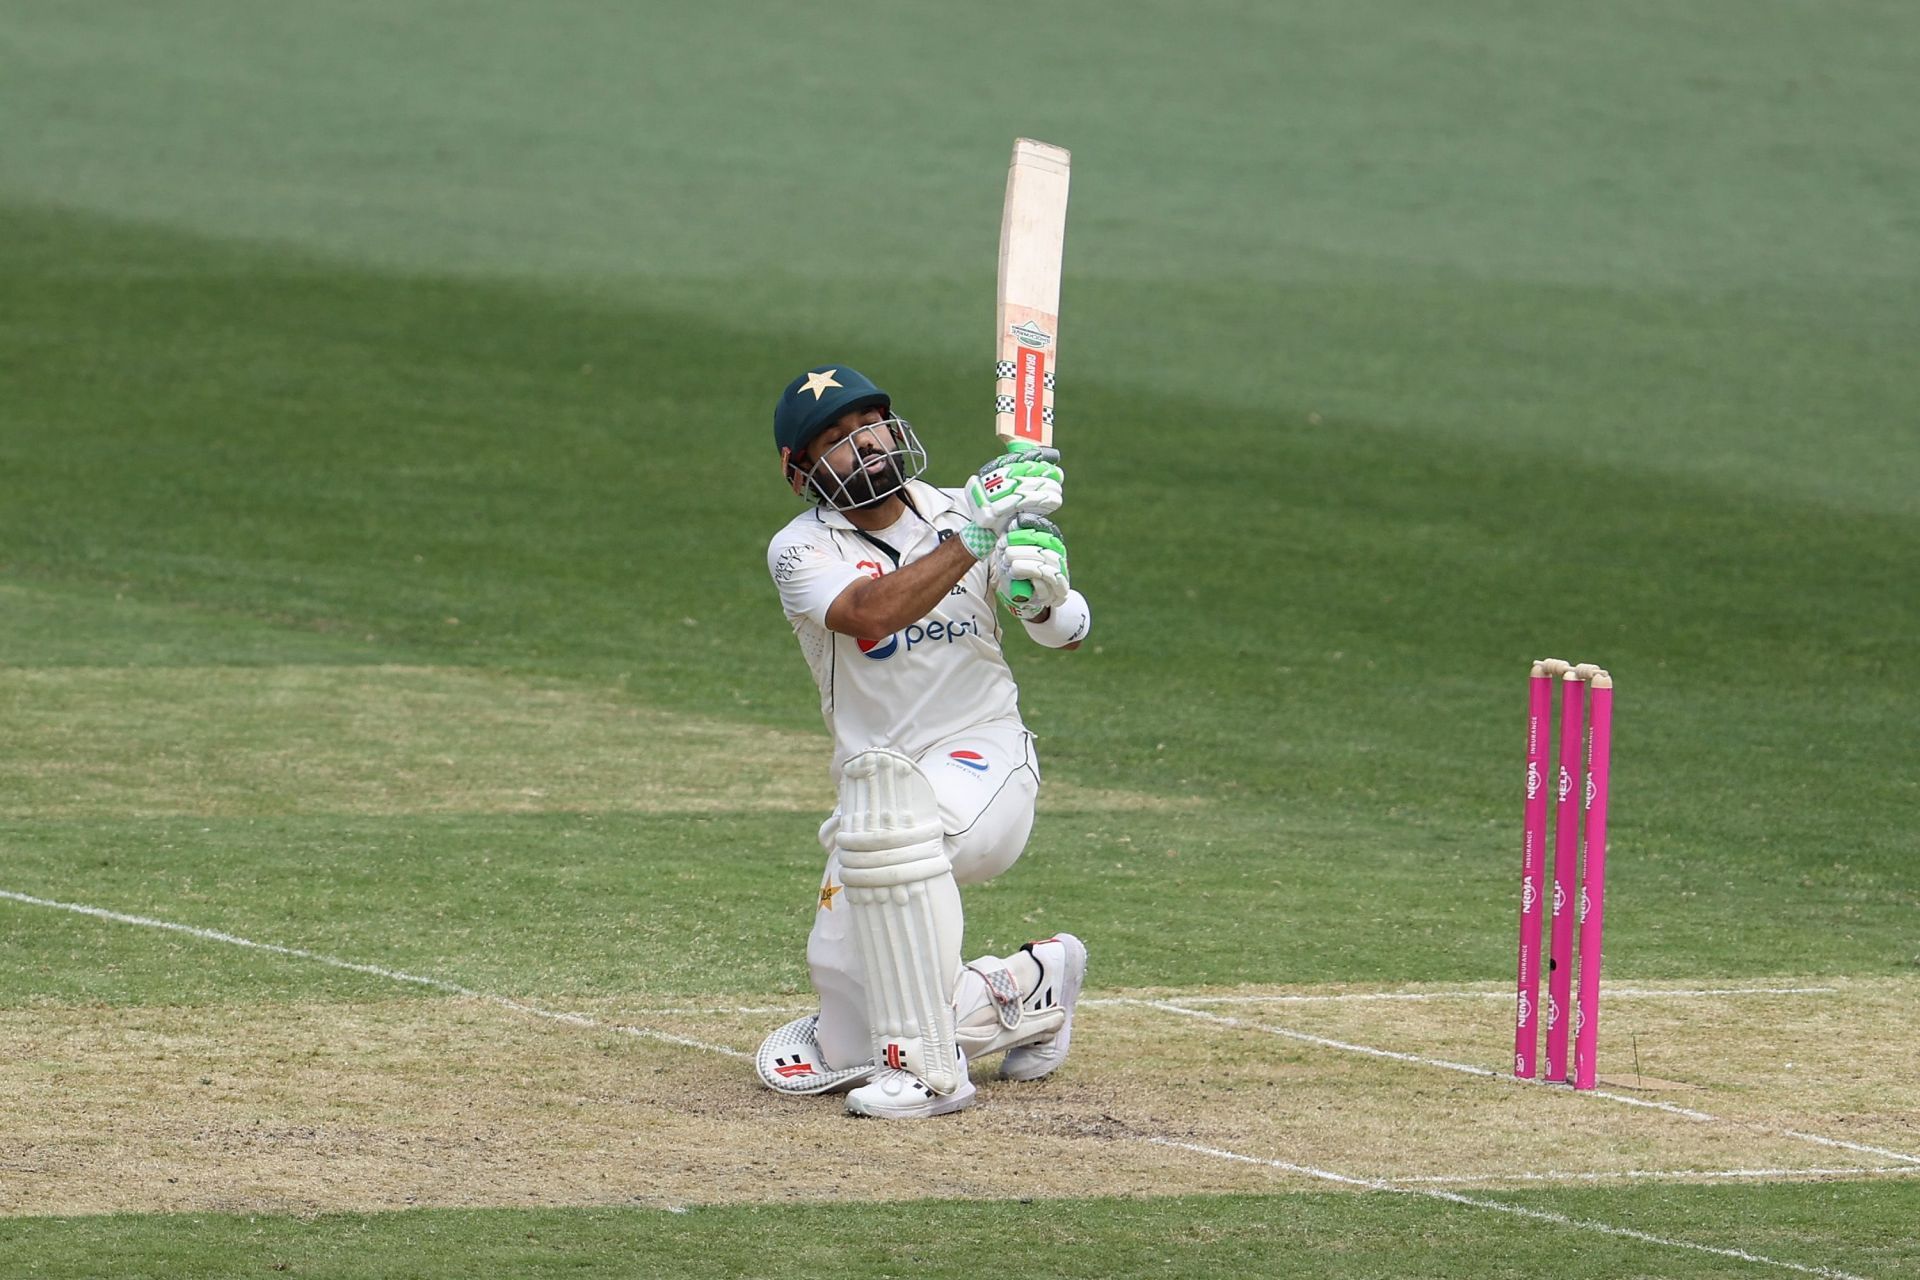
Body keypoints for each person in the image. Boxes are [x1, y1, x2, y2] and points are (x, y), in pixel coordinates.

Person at [752, 363, 1092, 1119]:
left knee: (906, 824)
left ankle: (934, 1073)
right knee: (846, 1047)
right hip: (876, 786)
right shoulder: (801, 550)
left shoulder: (968, 512)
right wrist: (977, 531)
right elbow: (871, 613)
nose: (864, 444)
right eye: (837, 439)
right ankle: (1027, 986)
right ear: (798, 470)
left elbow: (1063, 634)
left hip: (986, 762)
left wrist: (1047, 595)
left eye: (869, 424)